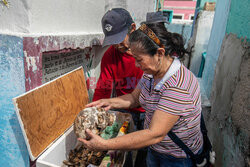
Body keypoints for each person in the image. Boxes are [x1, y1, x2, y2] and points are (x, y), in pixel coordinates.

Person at [79, 22, 204, 167]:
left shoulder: (178, 86)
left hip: (177, 158)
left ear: (160, 53)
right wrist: (108, 102)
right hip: (156, 150)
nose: (137, 65)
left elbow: (154, 134)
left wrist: (105, 144)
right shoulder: (151, 73)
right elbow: (134, 98)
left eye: (139, 59)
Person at [93, 8, 146, 166]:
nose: (117, 45)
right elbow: (103, 89)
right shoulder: (110, 56)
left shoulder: (149, 52)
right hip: (124, 109)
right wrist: (95, 113)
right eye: (113, 40)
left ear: (133, 28)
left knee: (146, 154)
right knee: (123, 154)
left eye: (121, 38)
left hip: (149, 111)